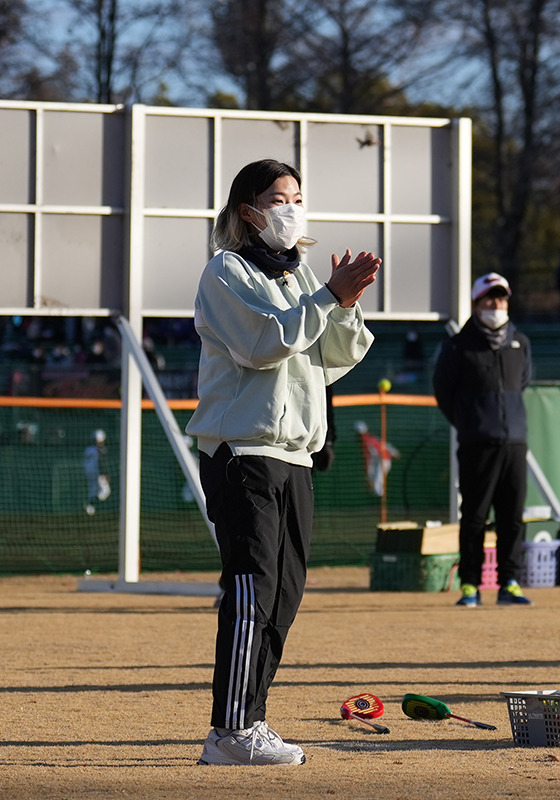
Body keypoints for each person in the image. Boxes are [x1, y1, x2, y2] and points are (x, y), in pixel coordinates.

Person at [187, 158, 379, 765]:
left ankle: (251, 721)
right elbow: (262, 345)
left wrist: (343, 304)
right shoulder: (226, 271)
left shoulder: (299, 280)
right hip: (242, 453)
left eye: (298, 196)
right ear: (248, 211)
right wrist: (327, 296)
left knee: (284, 594)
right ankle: (231, 730)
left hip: (295, 454)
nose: (292, 207)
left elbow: (335, 358)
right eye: (277, 198)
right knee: (252, 588)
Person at [433, 272, 534, 608]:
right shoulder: (458, 346)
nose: (497, 305)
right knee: (475, 517)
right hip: (477, 444)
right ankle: (470, 586)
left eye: (502, 298)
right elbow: (443, 392)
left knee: (513, 518)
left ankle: (510, 583)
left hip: (515, 443)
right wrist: (470, 423)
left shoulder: (520, 342)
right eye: (490, 299)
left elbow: (523, 382)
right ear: (476, 304)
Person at [83, 428, 111, 516]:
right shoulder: (101, 449)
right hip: (98, 472)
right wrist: (105, 474)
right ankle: (90, 504)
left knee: (93, 491)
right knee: (105, 492)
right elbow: (102, 462)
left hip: (88, 473)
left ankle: (90, 510)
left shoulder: (88, 449)